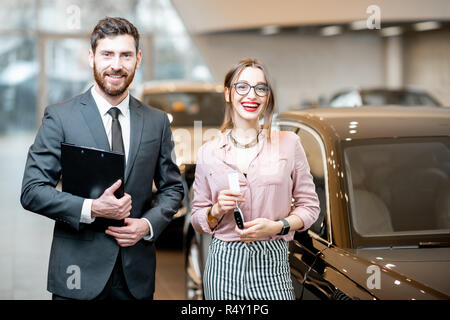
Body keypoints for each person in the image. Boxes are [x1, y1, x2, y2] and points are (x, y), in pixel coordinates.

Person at [20, 17, 184, 300]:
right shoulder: (61, 117)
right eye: (107, 54)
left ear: (138, 59)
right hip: (77, 273)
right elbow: (32, 191)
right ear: (91, 57)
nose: (116, 65)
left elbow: (173, 187)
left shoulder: (156, 122)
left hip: (136, 276)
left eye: (125, 55)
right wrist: (92, 208)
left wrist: (147, 225)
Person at [190, 58, 320, 300]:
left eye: (260, 88)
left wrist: (277, 226)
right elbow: (198, 217)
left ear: (268, 97)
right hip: (224, 265)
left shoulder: (289, 144)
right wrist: (216, 210)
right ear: (228, 93)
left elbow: (310, 207)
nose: (252, 95)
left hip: (273, 265)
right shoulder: (209, 151)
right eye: (242, 86)